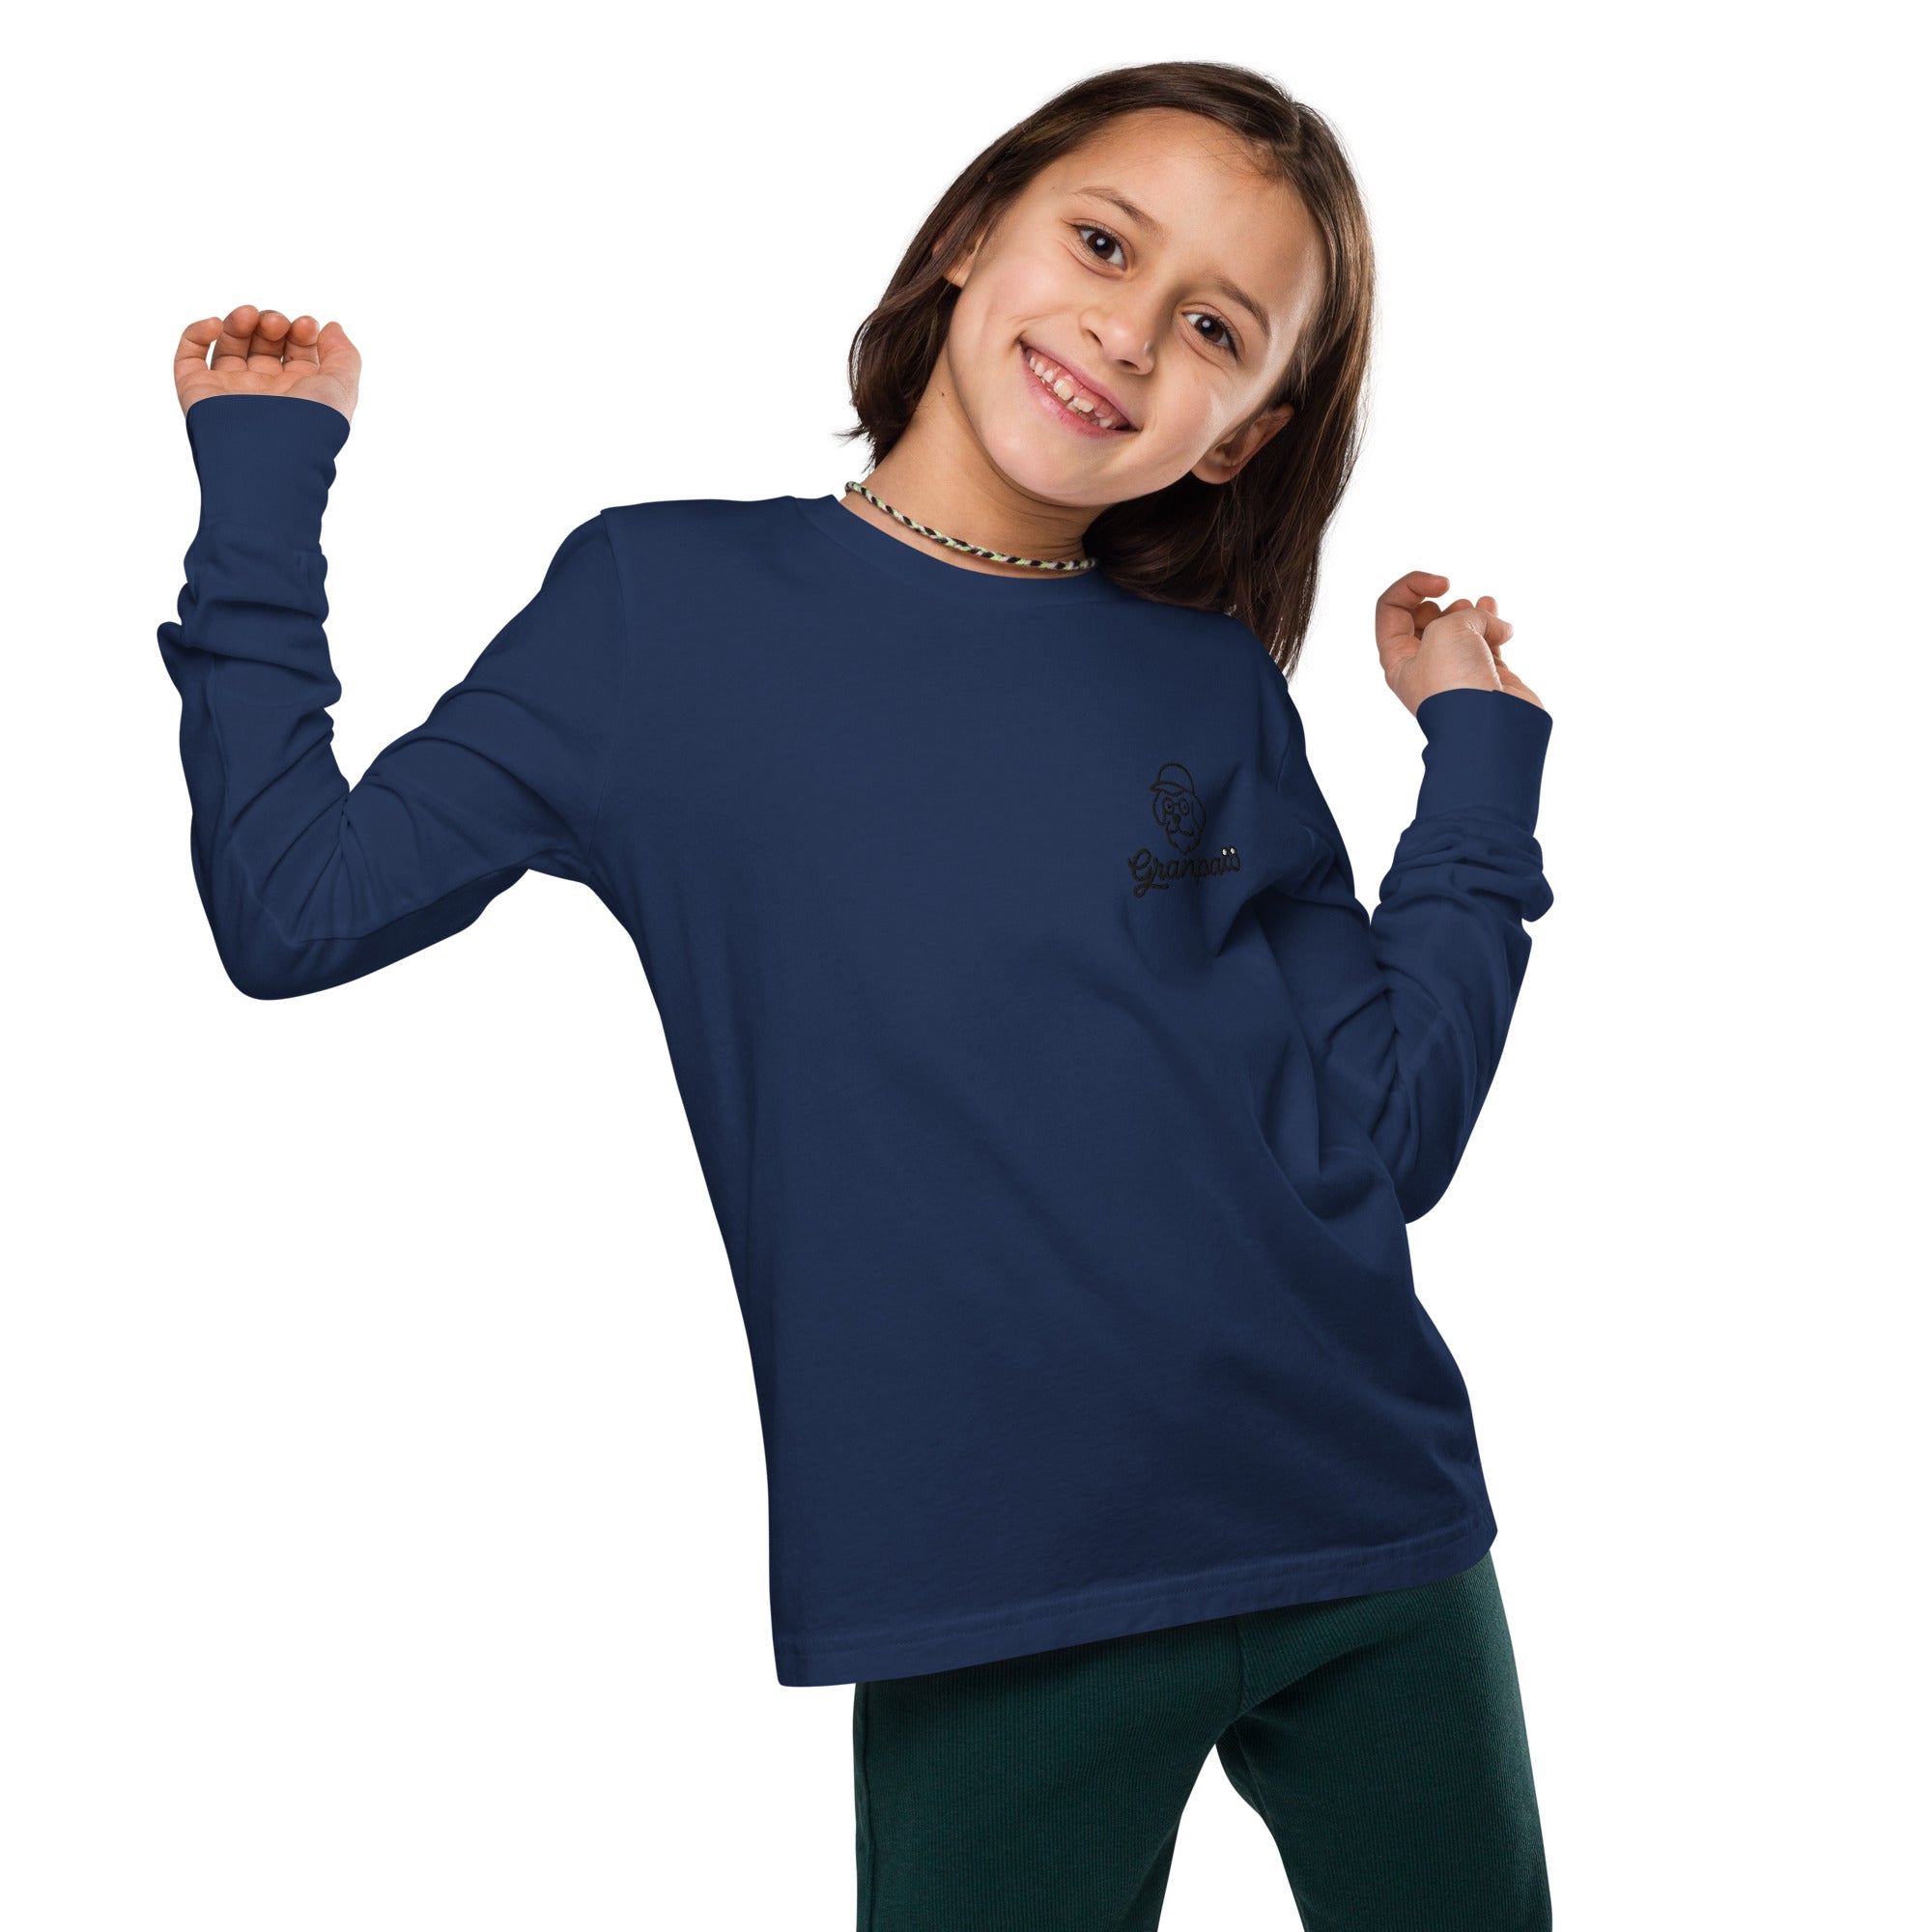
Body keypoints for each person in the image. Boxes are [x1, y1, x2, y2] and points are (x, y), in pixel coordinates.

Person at [155, 59, 1555, 1932]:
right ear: (974, 235)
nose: (1128, 333)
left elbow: (1387, 1139)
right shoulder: (657, 605)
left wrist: (1473, 764)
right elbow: (293, 909)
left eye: (1209, 324)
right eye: (1101, 241)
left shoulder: (1209, 689)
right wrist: (263, 483)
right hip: (996, 1592)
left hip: (1374, 1542)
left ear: (1241, 432)